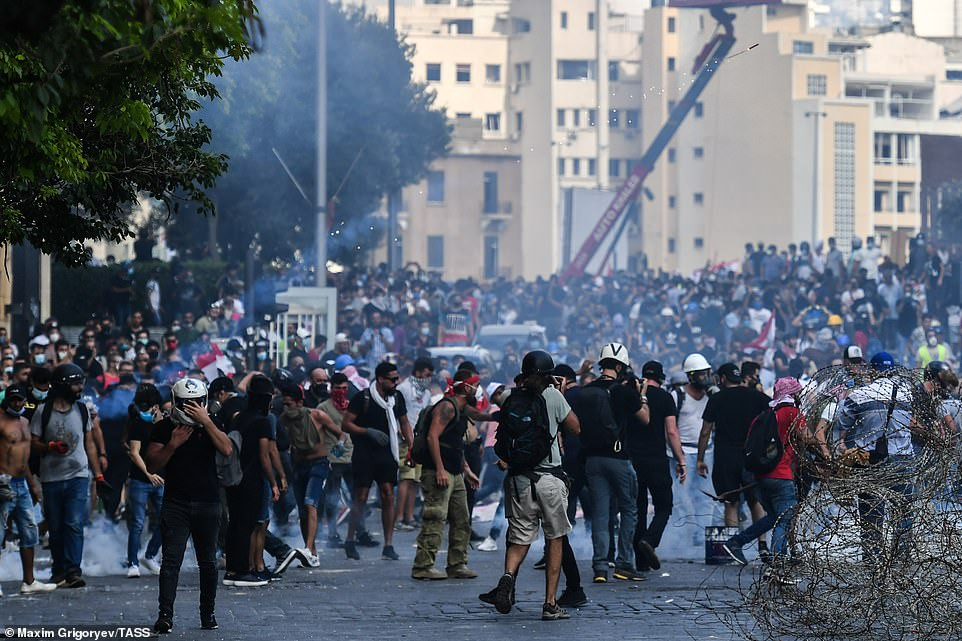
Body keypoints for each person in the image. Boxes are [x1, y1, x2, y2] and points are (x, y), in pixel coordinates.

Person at [478, 350, 581, 622]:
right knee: (555, 538)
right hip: (549, 479)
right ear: (548, 375)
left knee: (520, 537)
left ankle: (508, 577)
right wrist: (559, 394)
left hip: (519, 479)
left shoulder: (512, 397)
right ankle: (549, 603)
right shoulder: (553, 396)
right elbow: (575, 428)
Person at [146, 377, 234, 633]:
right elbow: (151, 464)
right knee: (171, 561)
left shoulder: (211, 424)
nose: (192, 408)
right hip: (177, 502)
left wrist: (206, 421)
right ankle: (165, 615)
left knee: (207, 563)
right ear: (176, 403)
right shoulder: (164, 428)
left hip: (208, 501)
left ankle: (208, 614)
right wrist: (173, 444)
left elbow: (227, 449)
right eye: (187, 404)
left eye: (197, 403)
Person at [30, 363, 107, 589]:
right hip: (51, 477)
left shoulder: (82, 410)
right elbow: (32, 442)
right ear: (63, 385)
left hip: (78, 475)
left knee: (73, 523)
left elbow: (89, 444)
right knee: (55, 526)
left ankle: (73, 570)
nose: (79, 388)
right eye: (74, 384)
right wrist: (49, 447)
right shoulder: (43, 412)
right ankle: (59, 570)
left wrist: (98, 475)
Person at [722, 377, 803, 584]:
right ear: (792, 393)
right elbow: (808, 437)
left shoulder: (764, 416)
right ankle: (777, 568)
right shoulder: (792, 413)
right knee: (786, 519)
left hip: (761, 477)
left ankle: (736, 542)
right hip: (781, 476)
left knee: (773, 517)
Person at [580, 343, 649, 583]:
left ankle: (600, 567)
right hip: (618, 458)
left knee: (600, 514)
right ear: (619, 367)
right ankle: (624, 564)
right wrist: (642, 394)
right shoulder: (622, 391)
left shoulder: (586, 391)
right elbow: (645, 418)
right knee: (629, 510)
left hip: (592, 460)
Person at [411, 369, 482, 580]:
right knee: (435, 516)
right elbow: (433, 437)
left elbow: (455, 446)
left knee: (462, 518)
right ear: (467, 387)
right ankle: (423, 565)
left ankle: (457, 564)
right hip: (438, 472)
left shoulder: (461, 411)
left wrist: (467, 471)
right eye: (476, 385)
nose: (478, 390)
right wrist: (440, 469)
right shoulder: (446, 406)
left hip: (456, 473)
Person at [342, 361, 414, 561]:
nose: (396, 382)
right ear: (380, 379)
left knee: (388, 495)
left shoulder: (396, 398)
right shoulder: (363, 397)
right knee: (361, 497)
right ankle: (350, 540)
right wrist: (367, 432)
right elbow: (346, 424)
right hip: (364, 453)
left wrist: (412, 448)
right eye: (392, 379)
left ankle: (388, 545)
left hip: (386, 453)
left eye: (397, 378)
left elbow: (405, 422)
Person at [697, 363, 771, 530]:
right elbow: (772, 414)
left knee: (731, 502)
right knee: (754, 501)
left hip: (725, 458)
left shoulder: (716, 399)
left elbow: (705, 432)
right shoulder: (756, 396)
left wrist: (700, 459)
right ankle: (762, 545)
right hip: (751, 456)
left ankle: (732, 547)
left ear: (722, 379)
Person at [0, 384, 58, 596]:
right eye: (13, 400)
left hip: (21, 483)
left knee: (29, 532)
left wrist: (32, 486)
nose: (16, 403)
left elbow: (23, 460)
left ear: (25, 401)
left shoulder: (25, 422)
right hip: (3, 484)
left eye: (19, 400)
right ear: (6, 401)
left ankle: (29, 581)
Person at [629, 361, 686, 573]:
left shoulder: (633, 395)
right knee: (664, 506)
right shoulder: (664, 397)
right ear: (661, 378)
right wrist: (681, 460)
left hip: (633, 460)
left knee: (639, 509)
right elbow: (671, 431)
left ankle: (641, 562)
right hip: (656, 460)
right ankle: (650, 541)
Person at [223, 375, 278, 588]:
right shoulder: (263, 421)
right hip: (251, 479)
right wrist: (273, 481)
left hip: (234, 478)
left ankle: (232, 569)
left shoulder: (239, 418)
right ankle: (243, 571)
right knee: (247, 526)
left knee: (235, 524)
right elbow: (264, 456)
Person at [282, 384, 342, 566]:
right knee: (302, 510)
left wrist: (337, 453)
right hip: (299, 465)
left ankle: (308, 549)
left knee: (310, 504)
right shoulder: (285, 419)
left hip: (319, 464)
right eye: (284, 404)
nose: (287, 408)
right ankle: (312, 552)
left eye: (290, 404)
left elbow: (341, 435)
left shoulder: (317, 416)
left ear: (300, 402)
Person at [125, 383, 165, 577]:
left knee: (166, 520)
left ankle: (149, 556)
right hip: (141, 480)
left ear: (156, 406)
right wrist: (148, 474)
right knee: (138, 523)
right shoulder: (137, 425)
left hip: (161, 480)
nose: (144, 411)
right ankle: (132, 563)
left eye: (146, 407)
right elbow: (134, 453)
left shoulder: (165, 425)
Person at [396, 356, 434, 530]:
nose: (428, 379)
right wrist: (401, 433)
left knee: (415, 481)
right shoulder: (403, 389)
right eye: (426, 375)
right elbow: (396, 412)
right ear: (417, 372)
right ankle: (398, 518)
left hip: (419, 441)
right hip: (404, 440)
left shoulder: (426, 393)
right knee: (405, 478)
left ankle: (409, 517)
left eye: (430, 376)